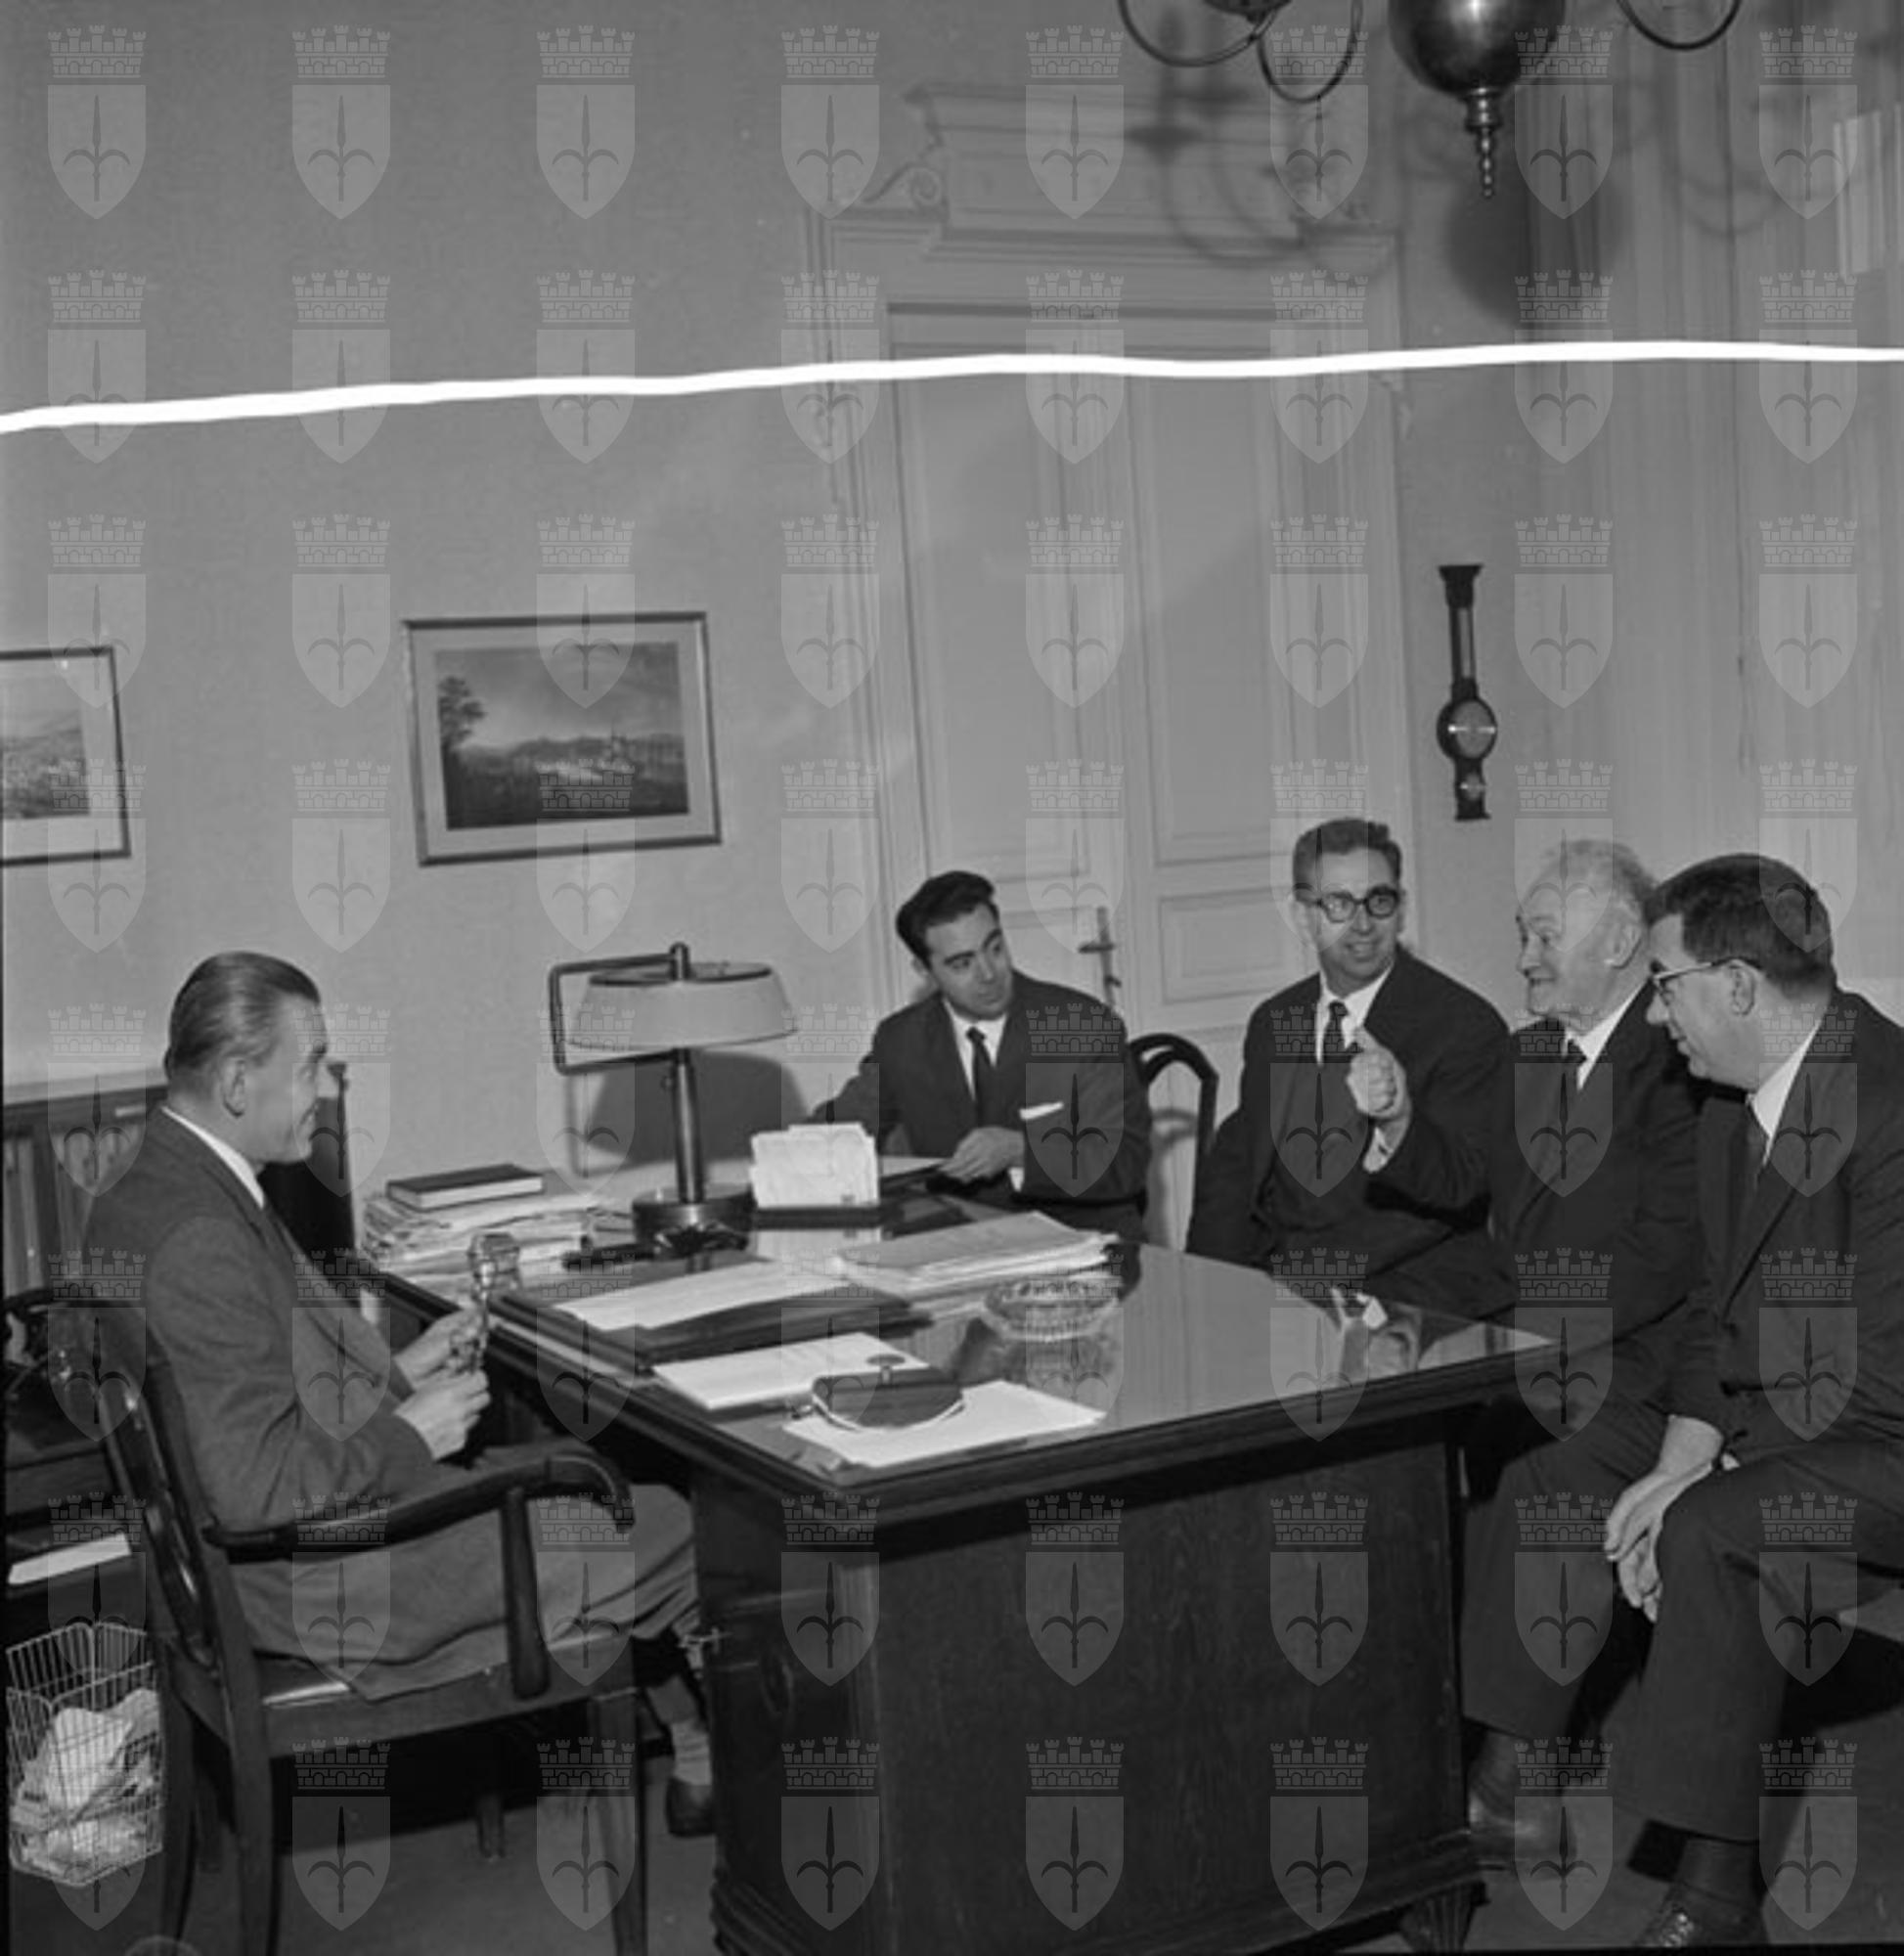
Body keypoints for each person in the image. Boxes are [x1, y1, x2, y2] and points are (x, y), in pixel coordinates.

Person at [85, 953, 716, 1835]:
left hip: (286, 1558)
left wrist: (402, 1372)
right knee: (683, 1522)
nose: (323, 1088)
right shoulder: (201, 1236)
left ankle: (692, 1745)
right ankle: (734, 1787)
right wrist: (410, 1434)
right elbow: (254, 1489)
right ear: (235, 1081)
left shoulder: (148, 1185)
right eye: (310, 1064)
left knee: (594, 1482)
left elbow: (249, 1383)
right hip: (328, 1582)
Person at [1462, 855, 1904, 1946]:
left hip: (1880, 1436)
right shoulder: (1727, 1102)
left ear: (1738, 984)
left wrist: (1714, 1473)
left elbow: (1881, 1377)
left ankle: (1711, 1899)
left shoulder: (1888, 1104)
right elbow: (1714, 1306)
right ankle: (1504, 1788)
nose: (1657, 1016)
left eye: (1665, 985)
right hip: (1770, 1419)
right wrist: (1676, 1455)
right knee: (1563, 1467)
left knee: (1710, 1530)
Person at [1460, 841, 1704, 1856]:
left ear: (1616, 943)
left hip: (1654, 1365)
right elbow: (1459, 1187)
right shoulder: (1527, 1056)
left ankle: (1509, 1775)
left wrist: (1519, 1333)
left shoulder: (1678, 1060)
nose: (1522, 955)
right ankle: (1448, 1728)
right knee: (1410, 1448)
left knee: (1544, 1466)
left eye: (1542, 935)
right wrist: (1388, 1123)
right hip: (1538, 1347)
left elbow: (1664, 1255)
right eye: (1522, 933)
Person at [1186, 818, 1509, 1314]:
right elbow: (1237, 1174)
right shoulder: (1275, 1022)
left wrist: (1302, 1278)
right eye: (1338, 904)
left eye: (1379, 900)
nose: (1363, 924)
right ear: (1303, 918)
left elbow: (1459, 1190)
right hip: (1287, 1285)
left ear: (1401, 910)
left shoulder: (1463, 1026)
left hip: (1415, 1291)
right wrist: (1205, 1291)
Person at [821, 869, 1151, 1238]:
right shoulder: (901, 1040)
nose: (989, 974)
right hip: (960, 1244)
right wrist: (778, 1152)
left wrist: (1023, 1151)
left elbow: (1128, 1160)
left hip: (1084, 1242)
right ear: (925, 970)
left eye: (994, 948)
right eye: (962, 964)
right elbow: (840, 1126)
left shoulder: (1081, 1025)